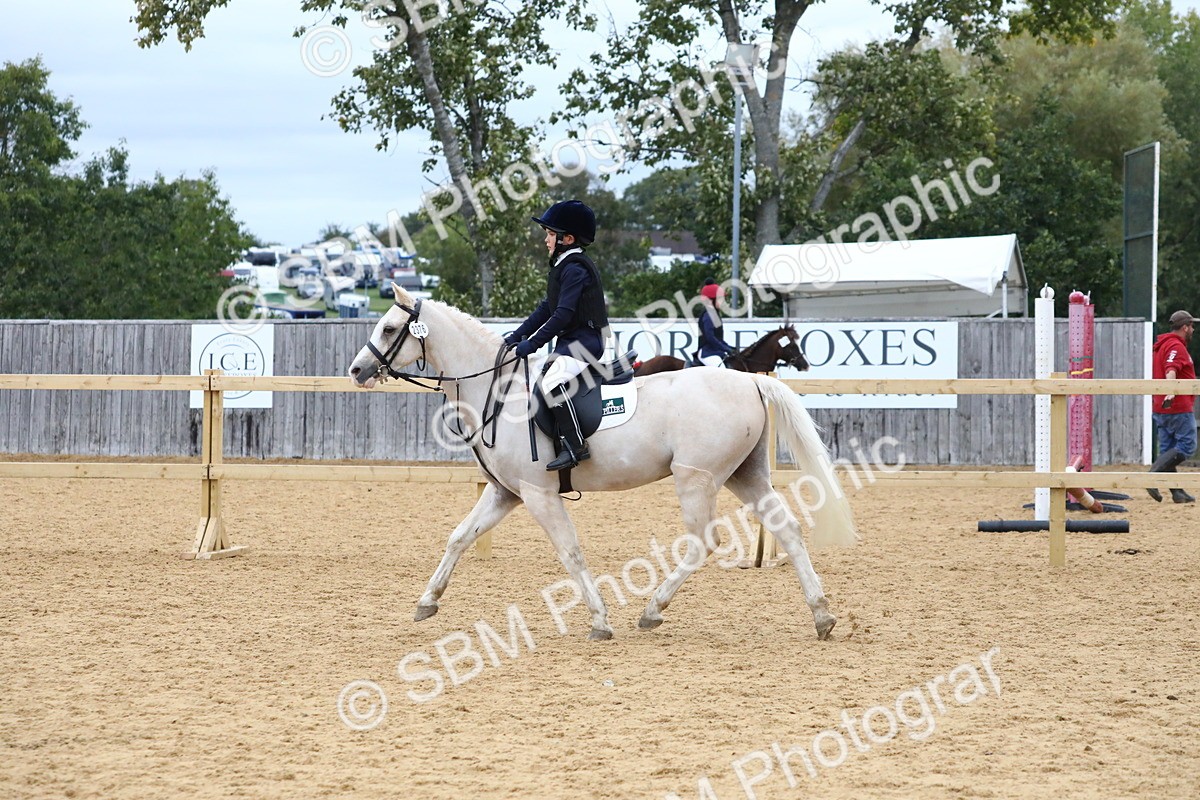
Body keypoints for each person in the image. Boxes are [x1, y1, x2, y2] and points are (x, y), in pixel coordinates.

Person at [505, 200, 608, 471]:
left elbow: (562, 315)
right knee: (544, 377)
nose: (546, 239)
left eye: (551, 234)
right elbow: (546, 309)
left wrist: (533, 343)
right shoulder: (563, 265)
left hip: (586, 343)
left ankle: (576, 446)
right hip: (571, 342)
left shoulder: (575, 268)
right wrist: (516, 336)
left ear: (568, 238)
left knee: (552, 382)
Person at [1147, 309, 1199, 503]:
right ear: (1185, 327)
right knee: (1187, 445)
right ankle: (1152, 475)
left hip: (1161, 407)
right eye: (1191, 326)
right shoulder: (1176, 346)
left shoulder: (1162, 345)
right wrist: (1171, 390)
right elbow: (1171, 369)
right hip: (1177, 406)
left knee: (1168, 450)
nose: (1193, 330)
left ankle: (1176, 492)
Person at [697, 278, 736, 367]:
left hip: (715, 351)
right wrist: (726, 348)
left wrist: (729, 347)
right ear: (712, 300)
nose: (723, 301)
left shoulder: (714, 314)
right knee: (722, 371)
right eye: (720, 298)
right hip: (707, 353)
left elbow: (718, 339)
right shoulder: (709, 315)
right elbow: (710, 337)